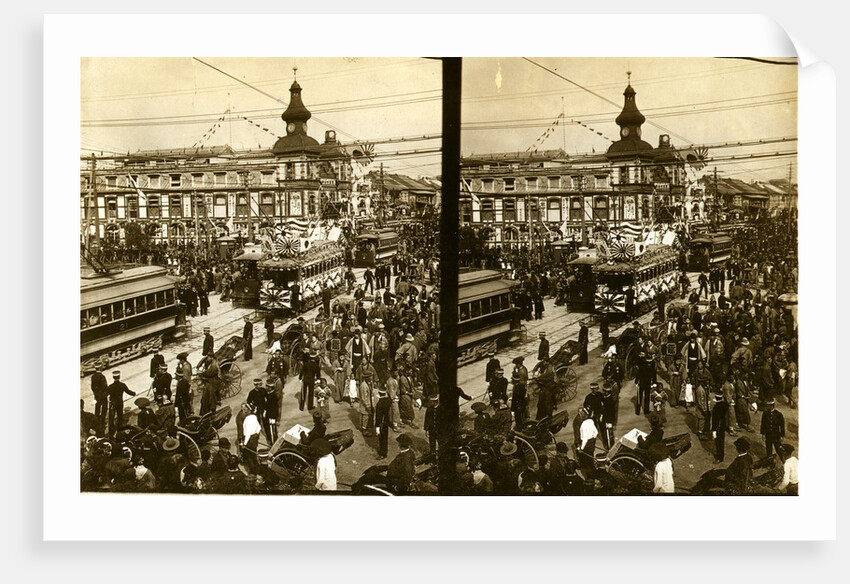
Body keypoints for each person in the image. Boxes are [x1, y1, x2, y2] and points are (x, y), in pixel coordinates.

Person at [107, 370, 136, 437]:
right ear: (119, 377)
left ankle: (111, 432)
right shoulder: (122, 385)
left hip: (112, 404)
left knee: (111, 418)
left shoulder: (110, 386)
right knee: (120, 417)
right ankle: (119, 429)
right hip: (120, 403)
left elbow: (106, 394)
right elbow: (128, 391)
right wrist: (134, 393)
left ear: (113, 377)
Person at [711, 393, 730, 463]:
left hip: (718, 426)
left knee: (718, 442)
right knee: (721, 441)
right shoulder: (724, 405)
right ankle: (720, 455)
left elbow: (715, 419)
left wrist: (713, 429)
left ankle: (719, 457)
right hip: (722, 425)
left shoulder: (716, 407)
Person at [374, 386, 392, 459]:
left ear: (379, 393)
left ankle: (382, 453)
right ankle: (384, 451)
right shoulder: (388, 400)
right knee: (385, 437)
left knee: (382, 438)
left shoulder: (379, 404)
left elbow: (378, 416)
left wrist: (377, 426)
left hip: (381, 423)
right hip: (386, 422)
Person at [90, 365, 108, 434]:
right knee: (104, 409)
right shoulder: (102, 377)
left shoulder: (93, 376)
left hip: (97, 396)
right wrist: (105, 394)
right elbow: (105, 386)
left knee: (97, 408)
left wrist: (96, 394)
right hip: (103, 397)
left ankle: (96, 421)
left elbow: (93, 387)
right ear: (100, 368)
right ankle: (102, 422)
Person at [262, 379, 279, 445]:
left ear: (270, 388)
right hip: (270, 415)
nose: (266, 388)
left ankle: (273, 443)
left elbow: (273, 408)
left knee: (272, 430)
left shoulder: (272, 397)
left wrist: (270, 416)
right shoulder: (270, 394)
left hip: (271, 416)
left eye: (267, 386)